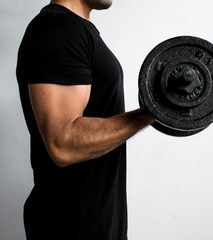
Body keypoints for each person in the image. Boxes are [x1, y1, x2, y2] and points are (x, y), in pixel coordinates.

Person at [16, 0, 155, 239]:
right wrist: (150, 113)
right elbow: (63, 142)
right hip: (70, 227)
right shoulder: (59, 29)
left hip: (96, 225)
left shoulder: (76, 30)